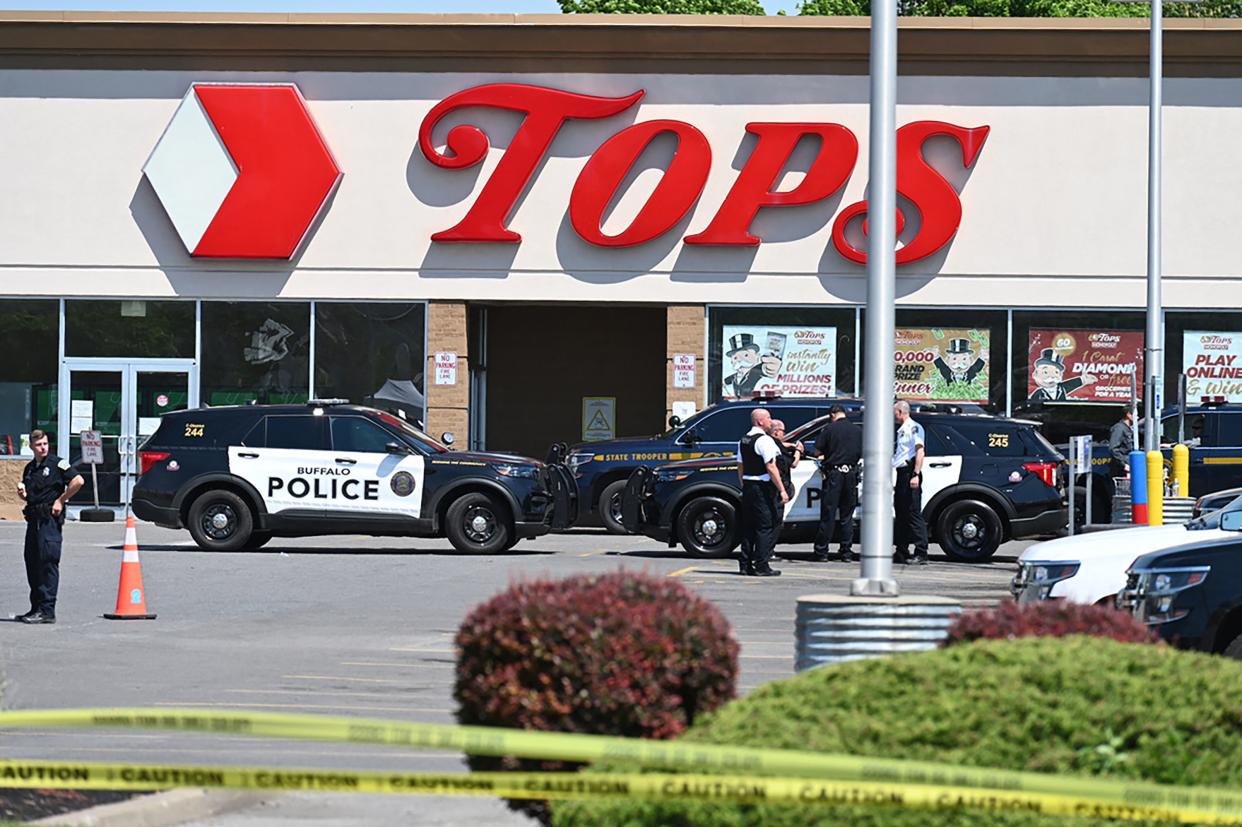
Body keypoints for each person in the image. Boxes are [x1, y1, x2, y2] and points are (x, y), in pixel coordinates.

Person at [16, 429, 84, 624]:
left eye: (45, 443)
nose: (43, 447)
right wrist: (24, 496)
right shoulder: (30, 468)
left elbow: (78, 481)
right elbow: (32, 494)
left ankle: (47, 611)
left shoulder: (57, 463)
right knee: (32, 563)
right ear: (31, 447)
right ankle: (35, 608)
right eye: (38, 445)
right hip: (34, 520)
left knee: (47, 563)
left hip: (49, 522)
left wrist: (61, 500)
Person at [736, 408, 788, 577]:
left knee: (749, 527)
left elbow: (740, 465)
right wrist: (782, 489)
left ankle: (745, 564)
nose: (771, 421)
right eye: (768, 418)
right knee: (765, 526)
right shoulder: (764, 441)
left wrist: (743, 484)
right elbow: (771, 467)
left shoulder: (744, 439)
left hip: (749, 486)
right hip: (762, 487)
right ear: (760, 422)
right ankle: (761, 564)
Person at [811, 405, 862, 563]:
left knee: (829, 514)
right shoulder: (858, 431)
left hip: (834, 475)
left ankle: (822, 552)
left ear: (832, 414)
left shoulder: (829, 429)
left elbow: (817, 452)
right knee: (847, 516)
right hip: (851, 475)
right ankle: (846, 552)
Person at [892, 401, 929, 566]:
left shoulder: (914, 428)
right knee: (901, 513)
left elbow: (920, 452)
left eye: (895, 412)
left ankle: (921, 552)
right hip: (901, 474)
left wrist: (916, 474)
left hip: (910, 473)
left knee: (913, 513)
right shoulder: (901, 430)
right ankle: (901, 550)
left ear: (900, 411)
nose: (893, 415)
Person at [769, 419, 804, 529]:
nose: (784, 434)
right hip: (777, 488)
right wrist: (798, 450)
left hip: (765, 487)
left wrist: (788, 445)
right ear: (776, 432)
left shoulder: (765, 441)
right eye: (783, 431)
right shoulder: (778, 447)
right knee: (776, 521)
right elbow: (793, 463)